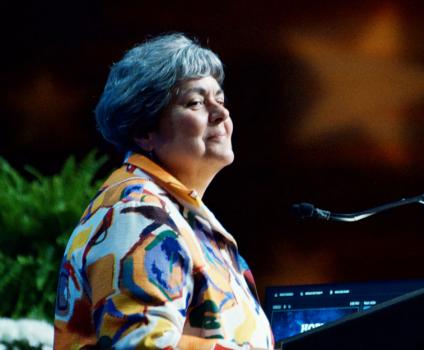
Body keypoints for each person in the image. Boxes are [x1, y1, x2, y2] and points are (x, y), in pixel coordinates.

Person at [54, 33, 274, 349]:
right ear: (145, 131)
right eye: (196, 102)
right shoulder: (134, 213)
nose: (220, 113)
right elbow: (145, 344)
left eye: (220, 100)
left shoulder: (174, 211)